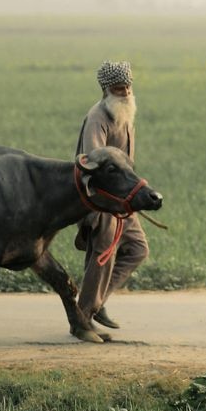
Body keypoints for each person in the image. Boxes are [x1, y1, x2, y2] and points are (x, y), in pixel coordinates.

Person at [74, 60, 148, 331]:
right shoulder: (98, 117)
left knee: (137, 250)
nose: (126, 93)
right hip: (104, 198)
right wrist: (109, 200)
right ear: (106, 90)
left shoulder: (125, 114)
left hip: (124, 198)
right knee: (102, 255)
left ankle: (95, 302)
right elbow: (96, 161)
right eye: (119, 89)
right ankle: (82, 319)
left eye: (128, 87)